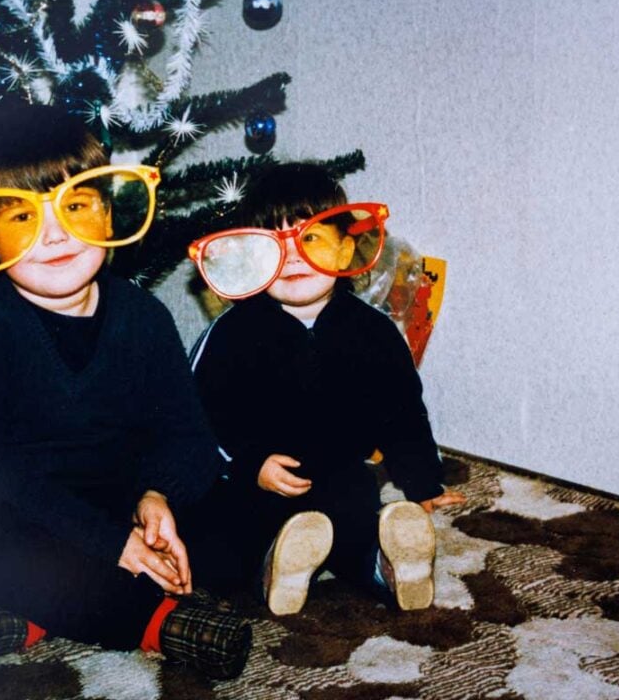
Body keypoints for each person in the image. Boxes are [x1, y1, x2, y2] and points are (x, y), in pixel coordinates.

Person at [0, 103, 251, 680]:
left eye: (77, 205)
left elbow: (187, 433)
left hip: (116, 499)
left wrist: (157, 496)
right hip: (17, 508)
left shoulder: (144, 316)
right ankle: (152, 622)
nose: (55, 233)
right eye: (22, 216)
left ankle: (28, 611)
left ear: (108, 216)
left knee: (230, 517)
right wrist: (110, 544)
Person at [182, 162, 466, 616]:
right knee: (217, 542)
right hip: (253, 481)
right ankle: (273, 567)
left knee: (355, 516)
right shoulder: (232, 333)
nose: (293, 257)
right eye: (275, 245)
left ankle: (386, 567)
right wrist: (250, 464)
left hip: (336, 475)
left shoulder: (373, 331)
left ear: (346, 249)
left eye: (310, 237)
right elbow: (199, 413)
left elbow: (402, 413)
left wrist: (424, 482)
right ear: (251, 260)